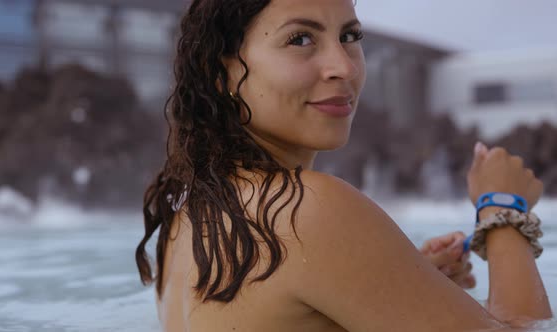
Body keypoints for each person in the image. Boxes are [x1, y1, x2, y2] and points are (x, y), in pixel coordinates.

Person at [135, 0, 552, 331]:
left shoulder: (189, 216)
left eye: (350, 36)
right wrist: (504, 211)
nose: (345, 66)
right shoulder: (306, 209)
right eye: (300, 39)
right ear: (220, 73)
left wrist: (399, 284)